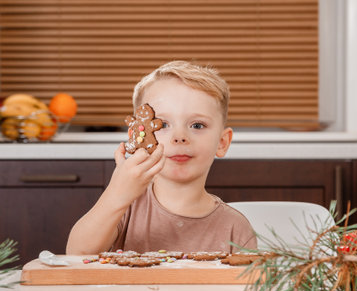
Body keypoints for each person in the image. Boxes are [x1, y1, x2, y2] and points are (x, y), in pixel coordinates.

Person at [66, 60, 257, 254]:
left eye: (197, 125)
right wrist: (116, 194)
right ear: (138, 136)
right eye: (163, 125)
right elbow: (76, 255)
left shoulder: (236, 228)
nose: (180, 137)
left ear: (222, 143)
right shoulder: (125, 209)